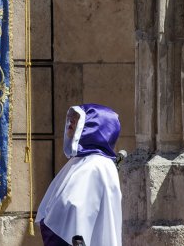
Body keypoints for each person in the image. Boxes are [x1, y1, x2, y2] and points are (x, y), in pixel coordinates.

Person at [36, 104, 123, 246]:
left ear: (94, 126)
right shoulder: (79, 161)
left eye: (77, 118)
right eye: (71, 118)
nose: (71, 121)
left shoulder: (98, 165)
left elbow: (77, 212)